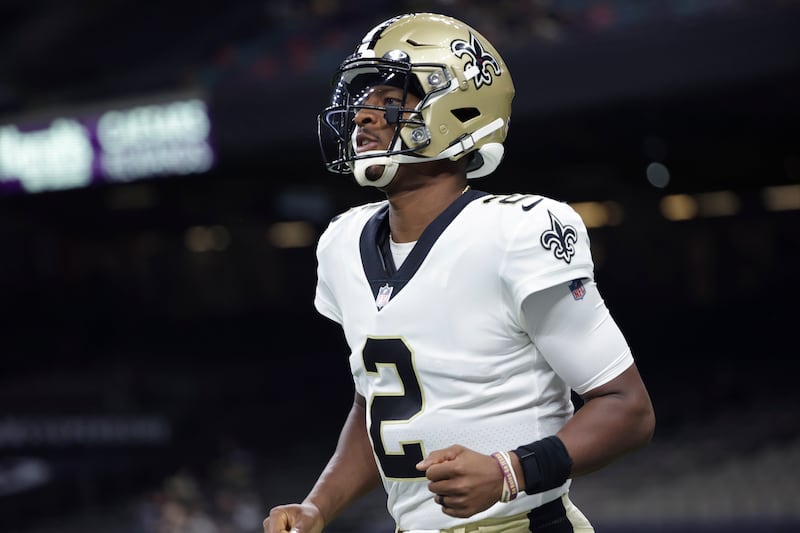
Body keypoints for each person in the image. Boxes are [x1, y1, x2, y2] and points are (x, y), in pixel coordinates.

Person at [264, 12, 655, 533]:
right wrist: (319, 506)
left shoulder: (515, 232)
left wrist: (509, 472)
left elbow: (627, 408)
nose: (363, 116)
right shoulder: (341, 244)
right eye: (362, 99)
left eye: (391, 101)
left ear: (459, 109)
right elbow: (380, 405)